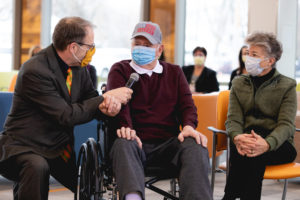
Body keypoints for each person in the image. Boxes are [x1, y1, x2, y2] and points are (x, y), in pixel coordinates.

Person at [0, 16, 133, 200]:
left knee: (88, 184)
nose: (92, 51)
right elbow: (66, 115)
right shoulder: (35, 70)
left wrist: (108, 106)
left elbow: (91, 100)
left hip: (58, 147)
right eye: (90, 46)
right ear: (73, 47)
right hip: (23, 146)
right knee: (37, 166)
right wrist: (106, 97)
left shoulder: (80, 67)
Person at [107, 21, 212, 200]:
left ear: (159, 49)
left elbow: (187, 105)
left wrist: (188, 126)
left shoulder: (174, 72)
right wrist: (126, 127)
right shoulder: (120, 70)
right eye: (137, 44)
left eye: (147, 45)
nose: (141, 48)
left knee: (195, 144)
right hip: (134, 141)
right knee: (124, 142)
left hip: (168, 144)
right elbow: (120, 106)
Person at [223, 32, 297, 200]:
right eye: (248, 53)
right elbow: (233, 119)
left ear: (270, 61)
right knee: (248, 148)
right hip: (246, 141)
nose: (248, 58)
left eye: (254, 55)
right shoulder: (238, 82)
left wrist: (267, 144)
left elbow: (286, 124)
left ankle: (229, 196)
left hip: (279, 145)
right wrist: (236, 137)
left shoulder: (287, 85)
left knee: (253, 152)